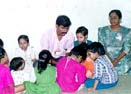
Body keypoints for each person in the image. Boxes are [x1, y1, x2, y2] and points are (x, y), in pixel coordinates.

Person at [98, 9, 131, 75]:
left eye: (115, 18)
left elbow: (126, 49)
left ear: (120, 19)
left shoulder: (127, 31)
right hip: (107, 57)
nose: (112, 19)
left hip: (121, 58)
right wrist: (109, 60)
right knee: (101, 67)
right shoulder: (102, 30)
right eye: (110, 17)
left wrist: (116, 61)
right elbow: (101, 47)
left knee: (124, 67)